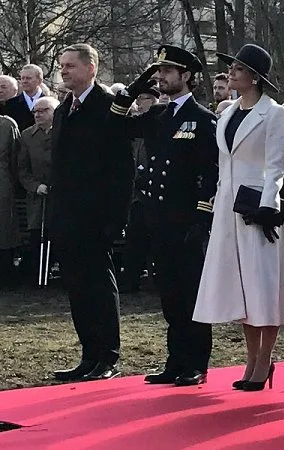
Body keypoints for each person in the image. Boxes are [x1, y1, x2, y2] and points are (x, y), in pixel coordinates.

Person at [193, 44, 284, 391]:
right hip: (228, 208)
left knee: (263, 285)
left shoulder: (273, 114)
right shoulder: (226, 114)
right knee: (240, 287)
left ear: (254, 77)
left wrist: (269, 207)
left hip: (259, 210)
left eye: (238, 69)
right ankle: (250, 356)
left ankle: (264, 359)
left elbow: (276, 165)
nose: (230, 74)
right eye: (231, 69)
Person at [110, 45, 217, 387]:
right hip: (159, 220)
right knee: (169, 294)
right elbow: (116, 125)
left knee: (190, 295)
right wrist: (135, 86)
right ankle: (176, 360)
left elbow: (211, 173)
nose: (161, 76)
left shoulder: (202, 119)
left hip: (186, 221)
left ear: (186, 76)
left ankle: (196, 363)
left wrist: (202, 218)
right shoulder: (157, 116)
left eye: (167, 71)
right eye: (158, 71)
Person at [50, 44, 134, 382]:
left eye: (71, 65)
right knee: (77, 288)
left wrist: (116, 220)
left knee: (99, 286)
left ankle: (107, 356)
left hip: (97, 217)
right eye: (62, 66)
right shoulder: (62, 111)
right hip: (68, 217)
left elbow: (122, 170)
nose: (65, 71)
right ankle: (89, 354)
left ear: (91, 68)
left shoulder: (107, 109)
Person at [118, 84, 160, 293]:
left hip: (156, 193)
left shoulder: (158, 123)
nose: (140, 102)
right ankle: (130, 279)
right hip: (135, 195)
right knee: (134, 240)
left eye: (145, 98)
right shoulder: (135, 127)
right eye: (140, 98)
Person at [17, 97, 60, 282]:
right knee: (37, 235)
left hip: (61, 196)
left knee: (60, 233)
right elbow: (22, 169)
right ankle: (37, 275)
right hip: (37, 197)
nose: (38, 114)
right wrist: (35, 186)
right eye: (35, 111)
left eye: (43, 111)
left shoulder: (63, 131)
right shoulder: (27, 136)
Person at [0, 114, 20, 287]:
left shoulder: (7, 125)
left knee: (4, 229)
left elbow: (16, 159)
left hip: (3, 183)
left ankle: (5, 274)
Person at [5, 64, 45, 131]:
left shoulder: (50, 103)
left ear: (39, 80)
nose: (24, 81)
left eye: (28, 78)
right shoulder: (10, 104)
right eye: (22, 78)